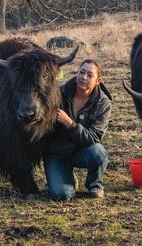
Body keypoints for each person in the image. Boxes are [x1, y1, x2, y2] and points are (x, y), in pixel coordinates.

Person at [43, 58, 112, 201]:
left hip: (83, 150)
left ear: (98, 80)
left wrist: (70, 124)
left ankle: (94, 185)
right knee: (61, 195)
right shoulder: (58, 94)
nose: (84, 77)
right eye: (81, 72)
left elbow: (94, 137)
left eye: (89, 75)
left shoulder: (103, 103)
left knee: (98, 153)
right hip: (57, 153)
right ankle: (67, 178)